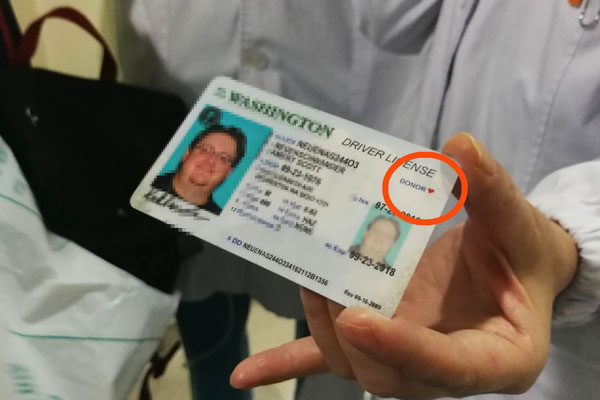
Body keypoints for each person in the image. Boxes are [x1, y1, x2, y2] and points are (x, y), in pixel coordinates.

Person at [116, 1, 600, 399]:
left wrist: (564, 242)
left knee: (334, 332)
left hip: (351, 167)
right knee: (215, 324)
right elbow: (395, 20)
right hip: (190, 111)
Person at [153, 124, 246, 215]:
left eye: (223, 158)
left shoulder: (220, 222)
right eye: (205, 150)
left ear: (228, 172)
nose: (211, 160)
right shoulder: (147, 183)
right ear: (186, 154)